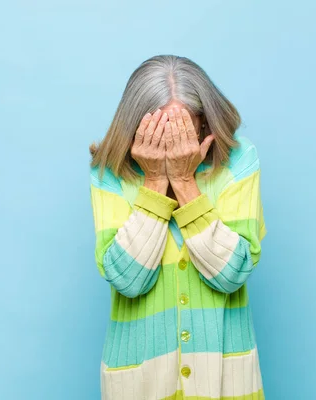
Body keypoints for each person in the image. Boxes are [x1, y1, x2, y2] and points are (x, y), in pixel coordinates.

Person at [88, 54, 267, 400]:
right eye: (159, 130)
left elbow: (231, 273)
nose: (173, 142)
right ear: (136, 126)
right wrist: (155, 181)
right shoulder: (108, 174)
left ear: (204, 123)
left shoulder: (240, 163)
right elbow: (127, 280)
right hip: (140, 383)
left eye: (184, 128)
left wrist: (185, 182)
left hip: (226, 380)